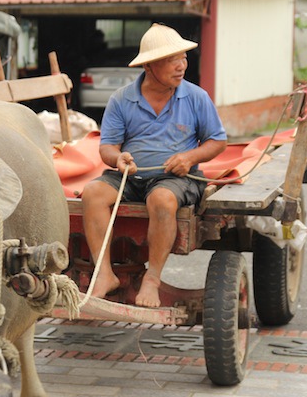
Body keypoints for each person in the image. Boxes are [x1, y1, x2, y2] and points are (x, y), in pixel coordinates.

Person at [81, 24, 227, 307]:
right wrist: (117, 159)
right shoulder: (121, 99)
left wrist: (189, 158)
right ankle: (104, 274)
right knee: (92, 193)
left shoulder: (196, 97)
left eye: (183, 58)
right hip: (132, 176)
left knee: (161, 198)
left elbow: (217, 141)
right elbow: (108, 147)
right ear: (149, 66)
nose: (181, 65)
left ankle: (152, 281)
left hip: (176, 179)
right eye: (172, 60)